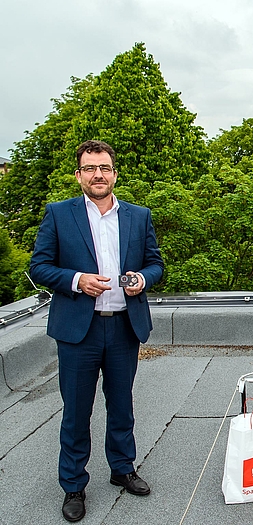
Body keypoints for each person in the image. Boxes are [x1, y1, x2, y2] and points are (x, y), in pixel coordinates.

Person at [30, 140, 164, 522]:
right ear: (78, 175)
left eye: (104, 168)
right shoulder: (59, 214)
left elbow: (155, 263)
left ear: (115, 173)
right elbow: (40, 267)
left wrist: (142, 277)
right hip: (78, 332)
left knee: (122, 406)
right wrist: (76, 280)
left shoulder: (138, 216)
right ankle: (74, 484)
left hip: (124, 326)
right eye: (89, 168)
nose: (98, 175)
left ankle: (122, 469)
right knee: (76, 412)